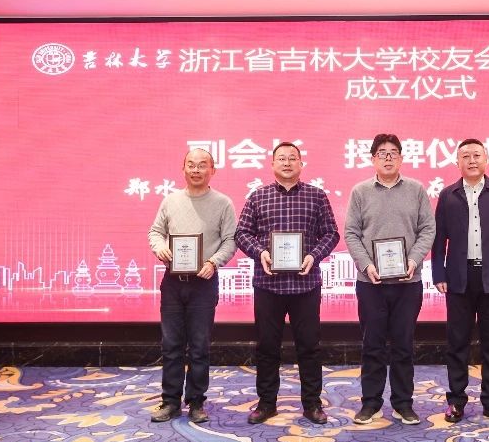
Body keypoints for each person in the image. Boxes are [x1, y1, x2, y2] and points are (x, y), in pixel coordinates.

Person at [235, 142, 340, 425]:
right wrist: (261, 252)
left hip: (305, 285)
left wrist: (313, 256)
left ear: (301, 164)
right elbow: (241, 233)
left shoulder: (317, 196)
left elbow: (331, 233)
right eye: (281, 158)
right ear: (272, 164)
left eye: (292, 158)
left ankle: (312, 404)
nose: (287, 163)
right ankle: (266, 403)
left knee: (309, 347)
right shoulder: (258, 196)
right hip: (268, 285)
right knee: (267, 347)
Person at [344, 133, 436, 425]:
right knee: (372, 345)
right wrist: (366, 264)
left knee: (403, 345)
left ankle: (403, 403)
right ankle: (370, 403)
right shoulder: (360, 192)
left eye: (393, 152)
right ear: (373, 159)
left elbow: (428, 229)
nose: (387, 157)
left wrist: (413, 260)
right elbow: (351, 233)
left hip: (408, 282)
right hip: (370, 283)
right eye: (381, 152)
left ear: (401, 158)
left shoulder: (416, 190)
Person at [431, 138, 489, 424]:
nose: (471, 160)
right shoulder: (448, 195)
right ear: (457, 162)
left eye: (476, 155)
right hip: (458, 278)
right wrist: (438, 273)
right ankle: (456, 401)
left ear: (486, 159)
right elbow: (439, 240)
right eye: (465, 156)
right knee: (457, 342)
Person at [148, 148, 236, 424]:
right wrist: (160, 247)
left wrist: (214, 262)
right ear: (183, 168)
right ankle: (170, 401)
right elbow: (155, 232)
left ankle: (196, 401)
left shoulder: (223, 203)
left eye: (202, 165)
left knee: (199, 346)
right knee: (171, 345)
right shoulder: (170, 200)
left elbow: (230, 240)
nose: (196, 170)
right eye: (191, 165)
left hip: (203, 283)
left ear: (213, 170)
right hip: (173, 283)